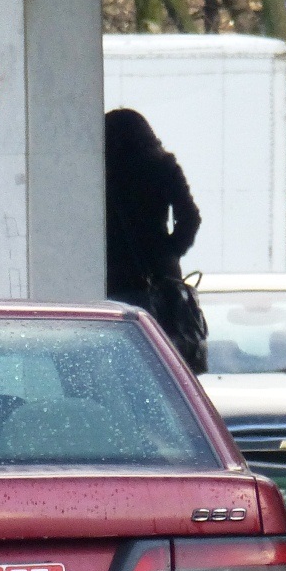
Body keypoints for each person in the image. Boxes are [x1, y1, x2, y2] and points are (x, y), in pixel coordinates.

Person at [103, 107, 208, 373]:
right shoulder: (162, 166)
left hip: (112, 278)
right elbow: (191, 218)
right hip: (160, 277)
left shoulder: (100, 173)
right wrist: (168, 251)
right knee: (163, 362)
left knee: (120, 362)